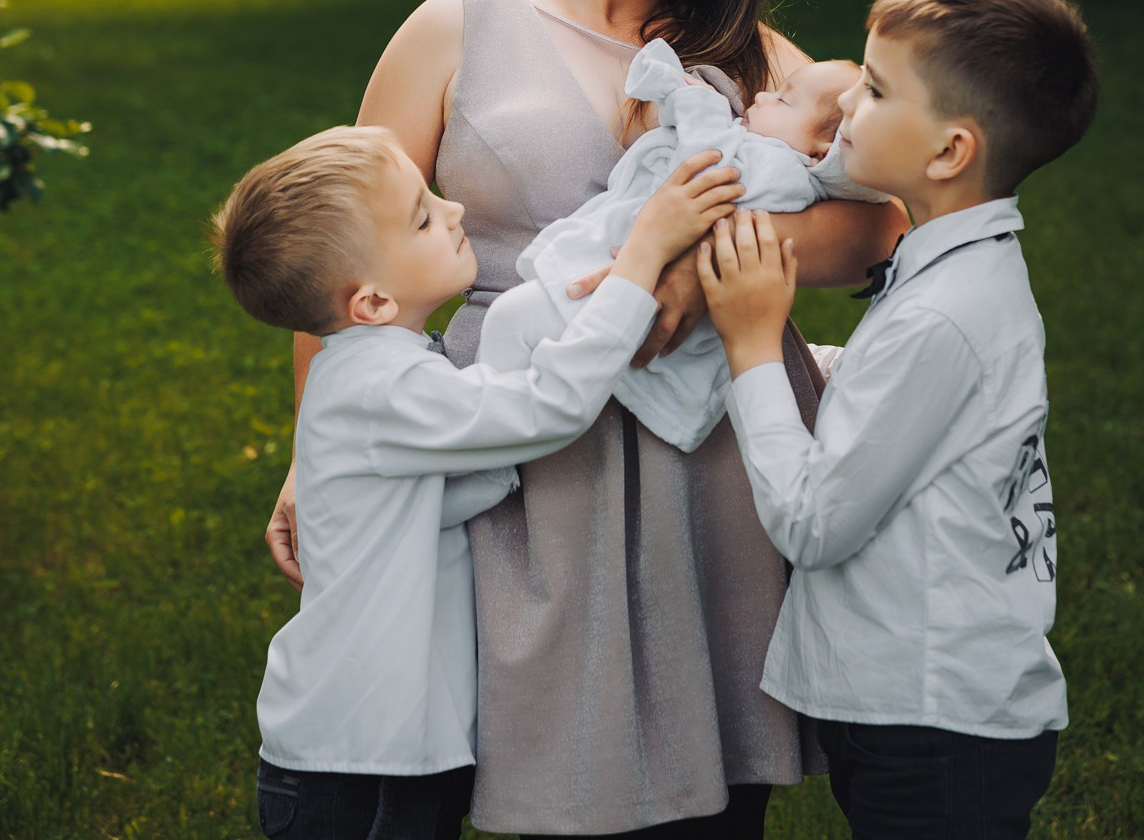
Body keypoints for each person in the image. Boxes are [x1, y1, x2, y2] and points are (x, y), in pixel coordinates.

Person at [263, 0, 908, 836]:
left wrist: (707, 282)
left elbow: (872, 226)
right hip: (515, 456)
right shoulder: (457, 23)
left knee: (706, 802)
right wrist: (314, 455)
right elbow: (348, 260)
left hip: (695, 475)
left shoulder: (734, 57)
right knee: (478, 765)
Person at [214, 126, 748, 840]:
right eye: (424, 215)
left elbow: (461, 487)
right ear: (370, 301)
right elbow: (550, 406)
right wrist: (642, 257)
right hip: (356, 759)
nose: (456, 210)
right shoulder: (383, 385)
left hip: (392, 743)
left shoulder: (382, 370)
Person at [698, 0, 1099, 839]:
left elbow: (813, 522)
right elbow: (893, 395)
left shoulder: (944, 315)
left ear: (949, 151)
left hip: (935, 720)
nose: (845, 104)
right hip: (926, 707)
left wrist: (753, 346)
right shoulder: (957, 272)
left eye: (876, 91)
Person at [478, 38, 890, 454]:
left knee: (513, 326)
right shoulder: (471, 21)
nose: (763, 95)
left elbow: (889, 231)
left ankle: (488, 447)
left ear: (821, 153)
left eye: (783, 101)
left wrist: (707, 255)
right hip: (602, 310)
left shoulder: (768, 139)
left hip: (609, 302)